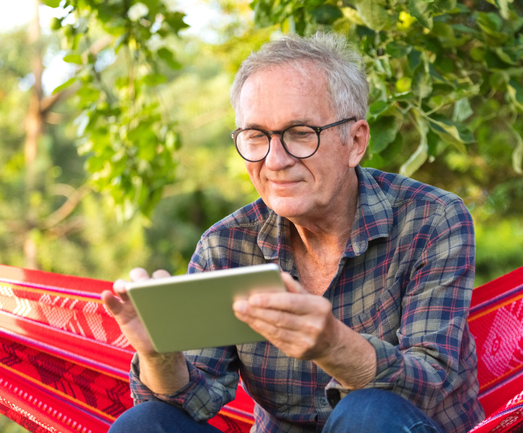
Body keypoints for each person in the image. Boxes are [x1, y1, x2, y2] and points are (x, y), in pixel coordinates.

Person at [103, 32, 484, 433]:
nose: (275, 160)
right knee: (144, 424)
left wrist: (332, 345)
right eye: (256, 136)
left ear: (355, 142)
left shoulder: (431, 218)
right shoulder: (226, 246)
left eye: (300, 133)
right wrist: (159, 354)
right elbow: (193, 400)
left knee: (367, 412)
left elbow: (431, 384)